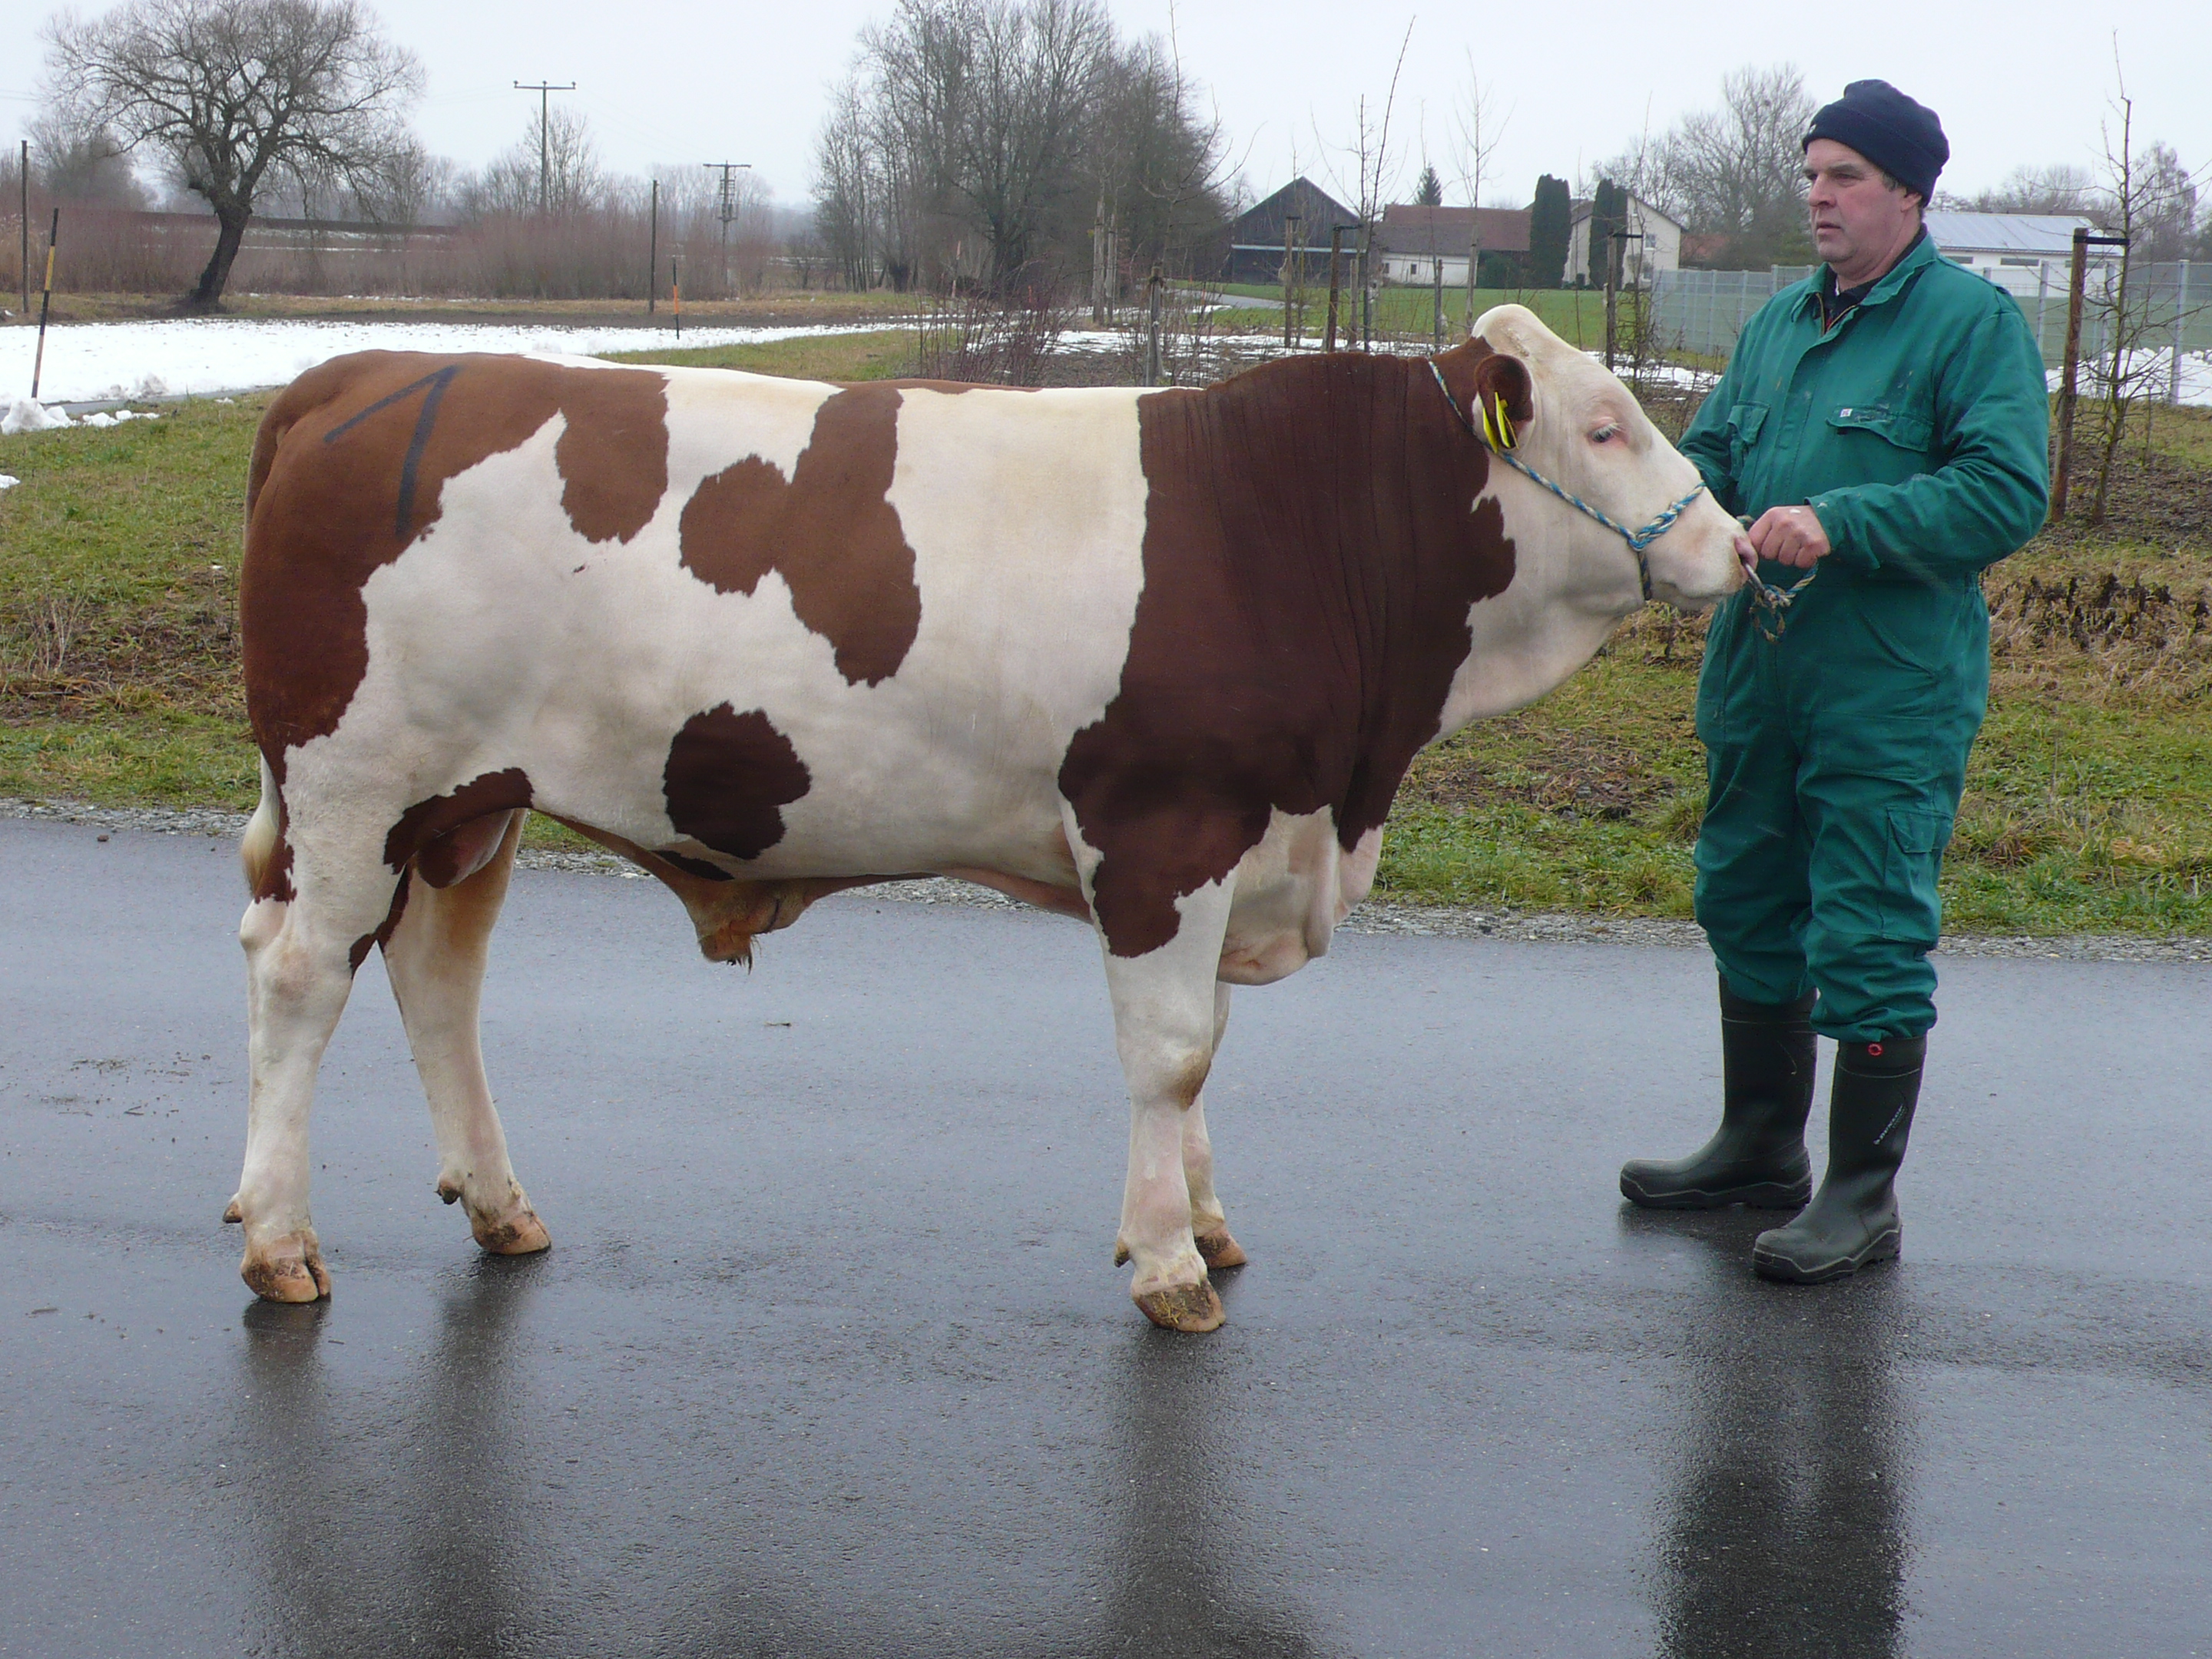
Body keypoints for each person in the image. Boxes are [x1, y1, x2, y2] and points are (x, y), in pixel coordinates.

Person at [1620, 81, 2051, 1283]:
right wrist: (1658, 506)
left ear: (1911, 192)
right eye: (1811, 173)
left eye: (1846, 175)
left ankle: (1862, 1198)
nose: (1819, 194)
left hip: (1888, 684)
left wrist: (1842, 520)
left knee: (1865, 923)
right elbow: (1714, 454)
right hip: (1758, 668)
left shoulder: (1970, 326)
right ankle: (1760, 1146)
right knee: (1746, 896)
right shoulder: (1777, 325)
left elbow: (2007, 492)